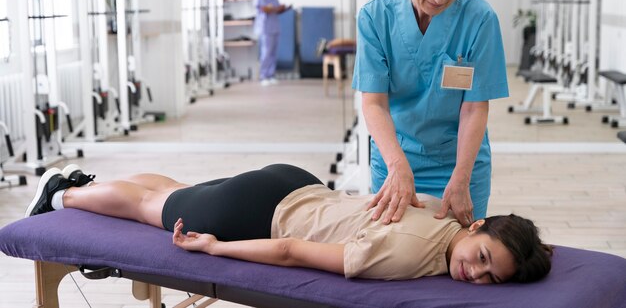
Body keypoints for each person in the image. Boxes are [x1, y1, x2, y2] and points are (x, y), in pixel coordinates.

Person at [26, 163, 552, 283]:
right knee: (150, 210)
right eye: (481, 257)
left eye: (489, 277)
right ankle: (62, 194)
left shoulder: (445, 214)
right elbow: (292, 252)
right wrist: (214, 249)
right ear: (478, 228)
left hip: (296, 181)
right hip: (265, 214)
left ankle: (84, 182)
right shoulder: (413, 256)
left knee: (168, 192)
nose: (474, 274)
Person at [352, 0, 508, 228]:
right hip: (396, 158)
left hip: (459, 164)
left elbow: (474, 108)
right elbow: (374, 104)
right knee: (392, 253)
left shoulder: (479, 19)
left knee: (460, 257)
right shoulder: (375, 18)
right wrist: (397, 166)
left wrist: (462, 178)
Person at [254, 0, 290, 86]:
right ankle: (263, 76)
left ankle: (271, 74)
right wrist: (275, 8)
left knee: (274, 52)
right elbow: (264, 8)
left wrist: (284, 8)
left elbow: (276, 10)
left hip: (275, 27)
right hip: (266, 28)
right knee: (266, 52)